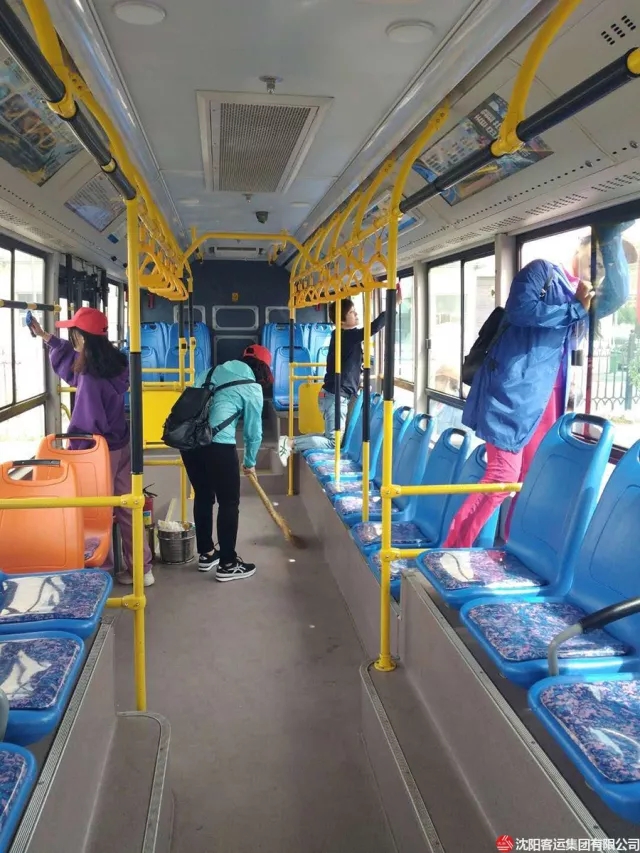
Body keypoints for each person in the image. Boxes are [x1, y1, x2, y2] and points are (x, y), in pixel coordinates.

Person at [443, 222, 631, 549]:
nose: (595, 268)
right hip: (510, 398)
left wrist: (611, 238)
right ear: (579, 249)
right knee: (503, 476)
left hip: (544, 403)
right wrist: (575, 308)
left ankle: (508, 546)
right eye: (593, 257)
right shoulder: (542, 272)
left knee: (525, 480)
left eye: (603, 265)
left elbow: (618, 295)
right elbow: (521, 310)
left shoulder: (586, 298)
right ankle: (453, 547)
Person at [29, 307, 155, 586]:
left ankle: (101, 572)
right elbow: (75, 363)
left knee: (97, 510)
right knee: (128, 506)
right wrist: (46, 336)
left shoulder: (89, 377)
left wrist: (74, 448)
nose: (71, 339)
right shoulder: (116, 363)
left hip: (97, 452)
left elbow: (86, 419)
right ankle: (142, 570)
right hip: (121, 444)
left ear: (82, 338)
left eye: (73, 334)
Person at [180, 344, 272, 582]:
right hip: (218, 447)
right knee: (228, 503)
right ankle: (228, 563)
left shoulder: (208, 372)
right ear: (263, 369)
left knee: (203, 496)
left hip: (189, 445)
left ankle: (207, 554)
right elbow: (253, 433)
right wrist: (250, 462)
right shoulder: (251, 387)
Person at [277, 295, 396, 464]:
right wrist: (394, 304)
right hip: (336, 397)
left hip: (332, 394)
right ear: (341, 321)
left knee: (330, 436)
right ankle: (290, 443)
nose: (356, 314)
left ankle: (289, 441)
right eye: (352, 312)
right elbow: (374, 327)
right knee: (334, 442)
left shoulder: (339, 335)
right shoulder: (348, 336)